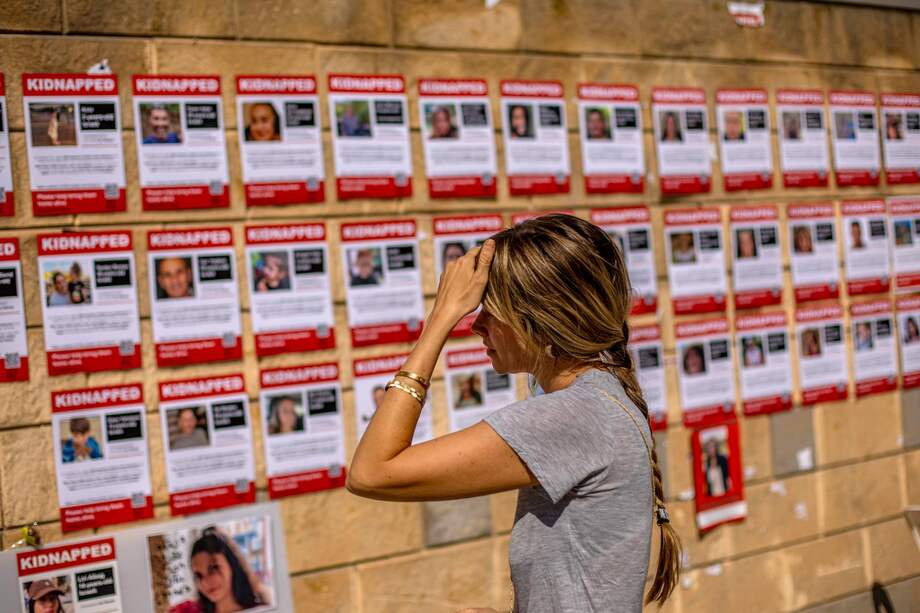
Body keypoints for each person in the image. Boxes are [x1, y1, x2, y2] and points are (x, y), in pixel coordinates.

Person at [348, 214, 681, 612]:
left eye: (492, 309)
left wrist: (440, 320)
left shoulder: (574, 415)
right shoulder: (597, 397)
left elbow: (372, 472)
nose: (477, 325)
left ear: (541, 317)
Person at [170, 527, 272, 613]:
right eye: (199, 575)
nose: (205, 582)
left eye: (213, 568)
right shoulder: (187, 610)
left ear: (232, 564)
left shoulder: (260, 608)